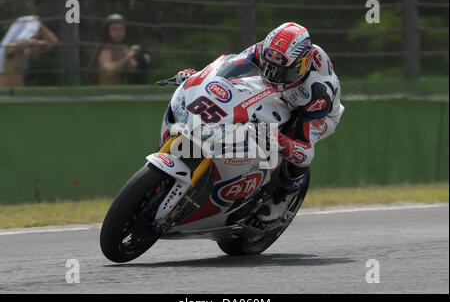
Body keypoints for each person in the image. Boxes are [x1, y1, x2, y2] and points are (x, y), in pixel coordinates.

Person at [174, 22, 345, 222]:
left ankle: (282, 199)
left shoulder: (318, 92)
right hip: (277, 93)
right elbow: (229, 67)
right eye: (269, 67)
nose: (273, 75)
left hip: (311, 112)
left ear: (302, 65)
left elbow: (305, 151)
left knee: (296, 155)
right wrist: (199, 77)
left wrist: (278, 138)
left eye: (281, 71)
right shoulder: (269, 51)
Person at [0, 15, 59, 88]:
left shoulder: (26, 51)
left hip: (18, 92)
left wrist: (41, 27)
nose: (36, 36)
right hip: (4, 92)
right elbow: (15, 46)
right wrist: (32, 41)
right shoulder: (8, 48)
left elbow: (53, 42)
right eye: (33, 33)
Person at [92, 14, 151, 85]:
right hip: (104, 92)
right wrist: (129, 57)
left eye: (121, 29)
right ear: (107, 31)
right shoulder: (105, 50)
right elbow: (109, 72)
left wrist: (141, 57)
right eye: (114, 29)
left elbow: (134, 69)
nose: (118, 32)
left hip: (118, 92)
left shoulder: (123, 49)